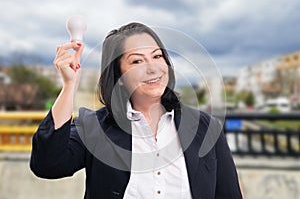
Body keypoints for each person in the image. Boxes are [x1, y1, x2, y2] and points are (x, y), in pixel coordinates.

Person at [30, 22, 243, 199]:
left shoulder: (205, 127)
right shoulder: (96, 128)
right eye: (137, 61)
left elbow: (228, 194)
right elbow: (48, 165)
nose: (152, 67)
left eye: (157, 56)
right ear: (118, 76)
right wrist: (70, 86)